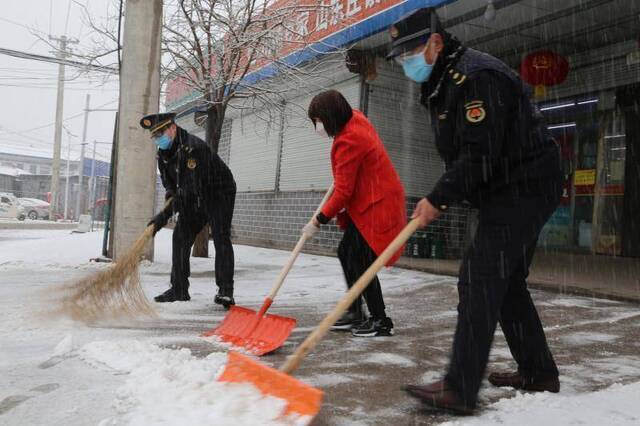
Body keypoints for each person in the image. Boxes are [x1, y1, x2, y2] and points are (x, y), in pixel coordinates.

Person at [386, 8, 563, 414]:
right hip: (510, 186)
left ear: (435, 42)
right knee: (507, 281)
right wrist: (447, 193)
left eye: (409, 53)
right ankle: (539, 372)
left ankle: (460, 388)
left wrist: (437, 198)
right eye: (399, 57)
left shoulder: (476, 77)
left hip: (526, 184)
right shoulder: (442, 82)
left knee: (480, 275)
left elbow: (479, 154)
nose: (404, 63)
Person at [305, 90, 407, 337]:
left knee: (360, 261)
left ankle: (381, 320)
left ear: (331, 117)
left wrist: (318, 220)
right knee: (348, 253)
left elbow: (343, 192)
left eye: (319, 120)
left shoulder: (349, 140)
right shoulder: (354, 119)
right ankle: (355, 311)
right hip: (372, 201)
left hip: (377, 206)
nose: (317, 126)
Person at [141, 113, 237, 308]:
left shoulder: (193, 149)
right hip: (192, 195)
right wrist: (169, 198)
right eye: (155, 135)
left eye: (160, 133)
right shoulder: (163, 154)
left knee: (220, 236)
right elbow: (170, 184)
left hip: (218, 192)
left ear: (172, 128)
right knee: (180, 237)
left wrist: (162, 217)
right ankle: (179, 289)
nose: (158, 138)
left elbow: (190, 188)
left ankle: (225, 291)